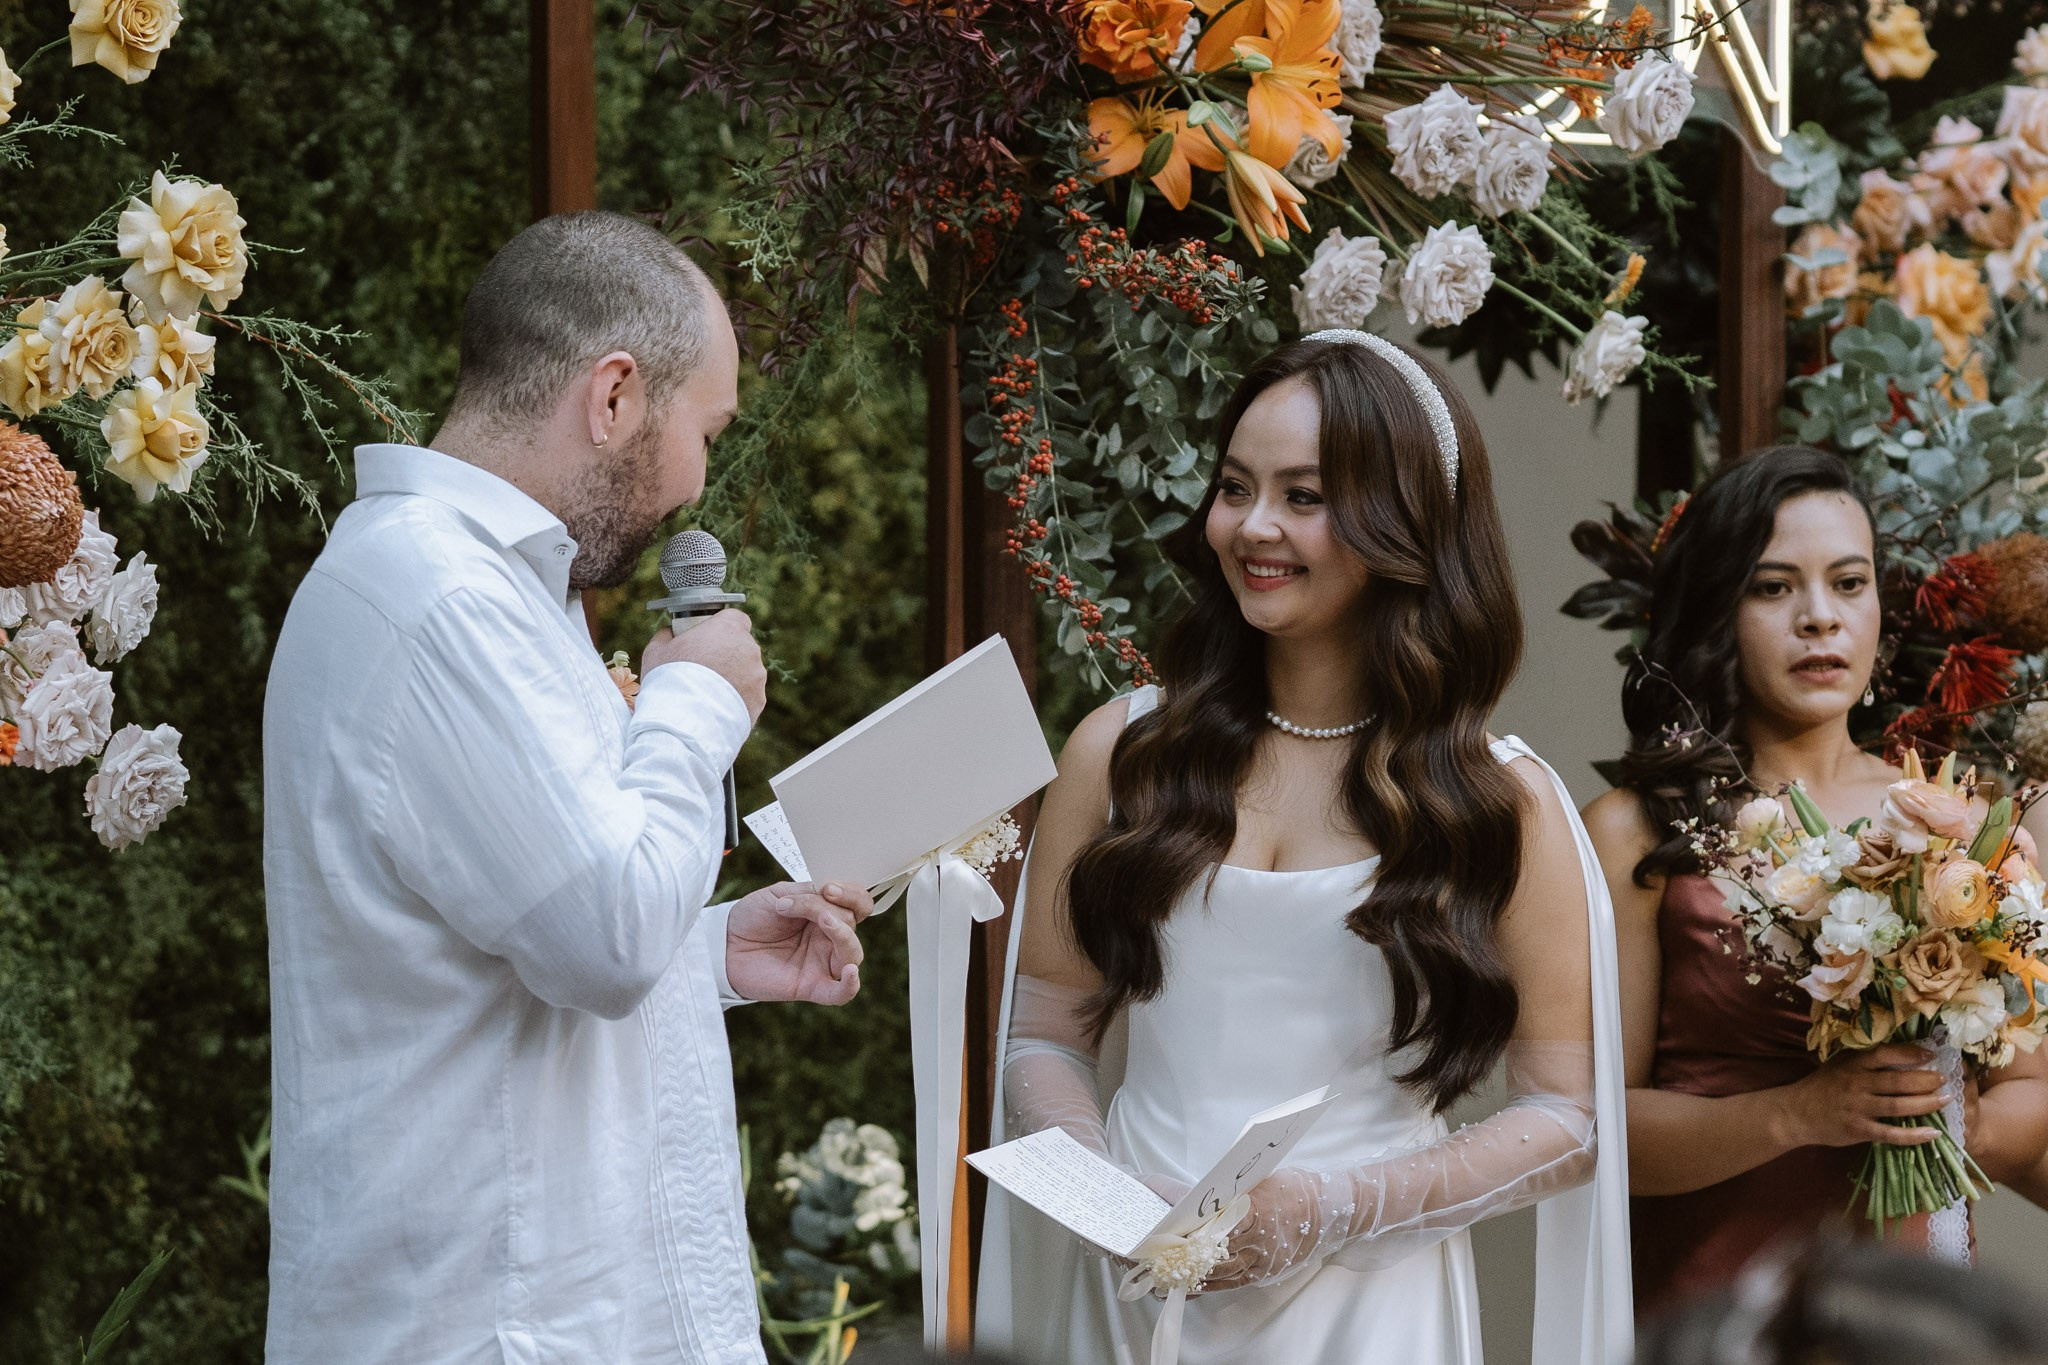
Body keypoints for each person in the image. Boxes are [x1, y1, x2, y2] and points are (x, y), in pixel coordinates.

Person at [262, 211, 873, 1363]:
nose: (695, 489)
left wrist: (707, 953)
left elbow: (537, 924)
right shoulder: (438, 601)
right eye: (706, 430)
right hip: (485, 1321)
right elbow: (602, 939)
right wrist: (697, 702)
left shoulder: (495, 595)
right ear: (613, 398)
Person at [977, 332, 1632, 1365]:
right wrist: (1101, 1186)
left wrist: (1332, 1206)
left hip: (1368, 1318)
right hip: (1132, 1300)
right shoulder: (1121, 751)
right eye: (1235, 488)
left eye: (1304, 496)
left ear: (1401, 525)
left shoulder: (1498, 803)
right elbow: (1042, 1037)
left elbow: (1564, 1120)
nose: (1253, 527)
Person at [1580, 446, 2048, 1314]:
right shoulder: (1639, 831)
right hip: (1721, 1300)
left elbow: (2033, 1095)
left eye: (1848, 582)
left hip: (1910, 1299)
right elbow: (1592, 1131)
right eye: (1773, 587)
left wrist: (1958, 1116)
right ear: (1719, 606)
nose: (1819, 618)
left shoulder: (1961, 818)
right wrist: (1800, 1113)